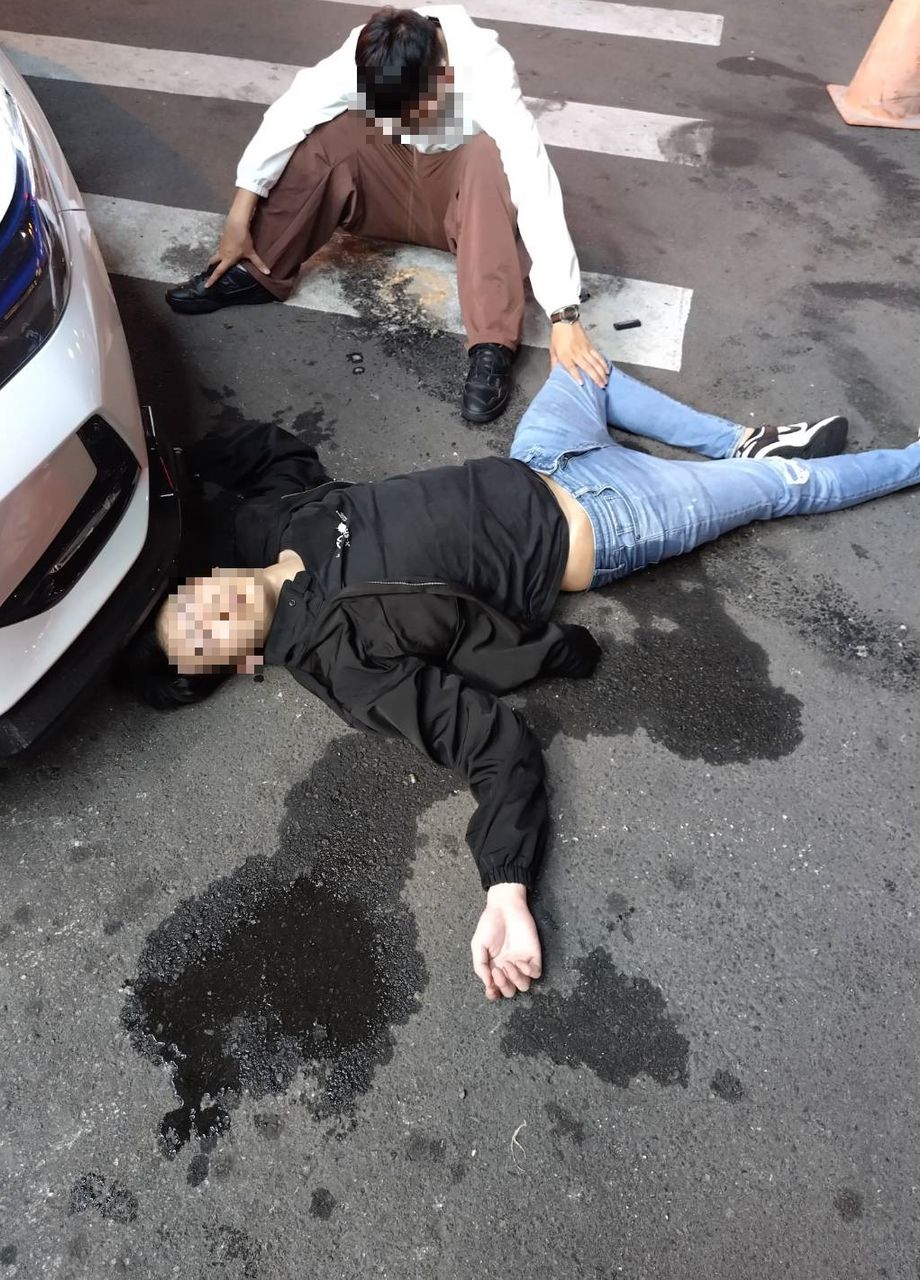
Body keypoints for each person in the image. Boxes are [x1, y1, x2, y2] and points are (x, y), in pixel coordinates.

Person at [124, 365, 920, 1000]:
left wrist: (173, 468)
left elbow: (273, 451)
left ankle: (743, 441)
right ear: (241, 663)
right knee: (791, 489)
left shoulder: (265, 522)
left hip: (540, 458)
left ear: (195, 581)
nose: (209, 614)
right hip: (612, 520)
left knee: (585, 370)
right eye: (205, 641)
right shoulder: (343, 662)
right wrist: (505, 886)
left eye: (189, 607)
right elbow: (490, 746)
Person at [164, 5, 609, 423]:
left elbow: (534, 180)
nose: (401, 125)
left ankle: (492, 344)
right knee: (333, 131)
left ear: (444, 77)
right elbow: (291, 111)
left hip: (461, 208)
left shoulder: (484, 67)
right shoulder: (369, 53)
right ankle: (261, 269)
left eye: (410, 115)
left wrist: (563, 316)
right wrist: (238, 217)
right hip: (390, 191)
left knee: (488, 156)